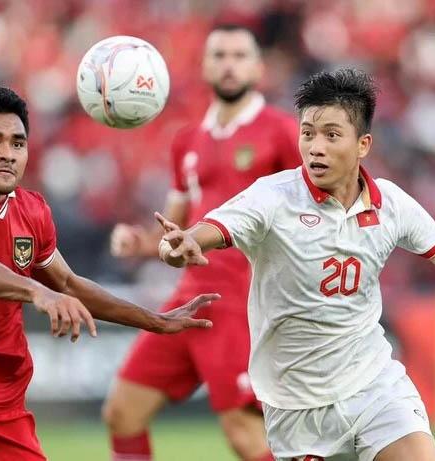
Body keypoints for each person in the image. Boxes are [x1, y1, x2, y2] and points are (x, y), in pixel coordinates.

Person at [155, 68, 435, 461]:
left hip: (374, 388)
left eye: (331, 135)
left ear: (363, 144)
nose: (316, 147)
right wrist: (180, 245)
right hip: (296, 407)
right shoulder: (273, 198)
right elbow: (203, 232)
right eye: (307, 133)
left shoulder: (392, 204)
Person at [0, 86, 219, 461]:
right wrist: (37, 291)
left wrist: (155, 321)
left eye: (18, 143)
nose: (7, 153)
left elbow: (67, 283)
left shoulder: (31, 211)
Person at [102, 24, 299, 461]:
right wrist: (141, 243)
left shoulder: (282, 132)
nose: (229, 65)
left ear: (259, 68)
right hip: (189, 301)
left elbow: (314, 210)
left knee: (246, 435)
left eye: (239, 56)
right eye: (219, 55)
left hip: (242, 302)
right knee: (123, 412)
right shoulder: (187, 140)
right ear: (205, 66)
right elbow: (174, 230)